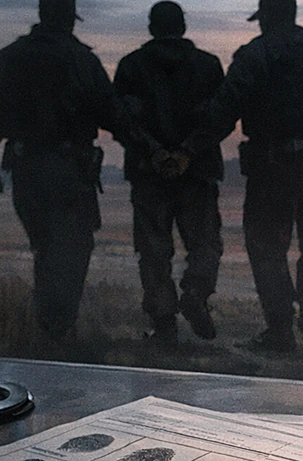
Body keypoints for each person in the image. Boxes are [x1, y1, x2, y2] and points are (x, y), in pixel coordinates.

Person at [189, 0, 303, 351]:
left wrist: (189, 145)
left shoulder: (254, 56)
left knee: (267, 249)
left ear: (267, 19)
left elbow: (225, 108)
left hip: (271, 171)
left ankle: (280, 329)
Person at [0, 0, 118, 340]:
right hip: (70, 171)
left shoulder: (9, 58)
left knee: (47, 246)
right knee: (71, 247)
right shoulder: (82, 60)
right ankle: (57, 329)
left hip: (27, 171)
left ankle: (51, 327)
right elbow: (111, 113)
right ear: (69, 20)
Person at [114, 1, 225, 348]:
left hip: (149, 174)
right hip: (198, 172)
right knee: (205, 243)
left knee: (153, 251)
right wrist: (188, 152)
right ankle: (195, 293)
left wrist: (156, 152)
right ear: (183, 27)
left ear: (151, 28)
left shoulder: (131, 66)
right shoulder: (208, 66)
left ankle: (164, 326)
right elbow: (220, 117)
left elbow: (121, 119)